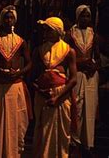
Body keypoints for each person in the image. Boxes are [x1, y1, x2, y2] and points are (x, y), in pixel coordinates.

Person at [0, 5, 32, 157]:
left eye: (11, 18)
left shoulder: (21, 41)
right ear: (1, 20)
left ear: (15, 20)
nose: (8, 20)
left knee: (17, 121)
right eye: (6, 17)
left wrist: (19, 72)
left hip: (15, 84)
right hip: (0, 85)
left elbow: (29, 63)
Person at [32, 17, 77, 157]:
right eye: (44, 30)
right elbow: (32, 76)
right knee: (42, 132)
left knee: (61, 133)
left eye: (49, 30)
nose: (45, 33)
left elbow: (73, 79)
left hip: (61, 96)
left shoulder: (68, 51)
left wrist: (58, 97)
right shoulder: (39, 50)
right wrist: (40, 90)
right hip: (43, 96)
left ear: (58, 31)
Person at [65, 5, 100, 156]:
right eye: (83, 16)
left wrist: (94, 65)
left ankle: (87, 143)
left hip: (90, 76)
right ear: (77, 17)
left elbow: (97, 56)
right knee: (76, 107)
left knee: (89, 107)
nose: (85, 19)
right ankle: (74, 141)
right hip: (76, 74)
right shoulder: (70, 34)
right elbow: (66, 57)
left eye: (87, 16)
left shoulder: (94, 34)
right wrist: (80, 63)